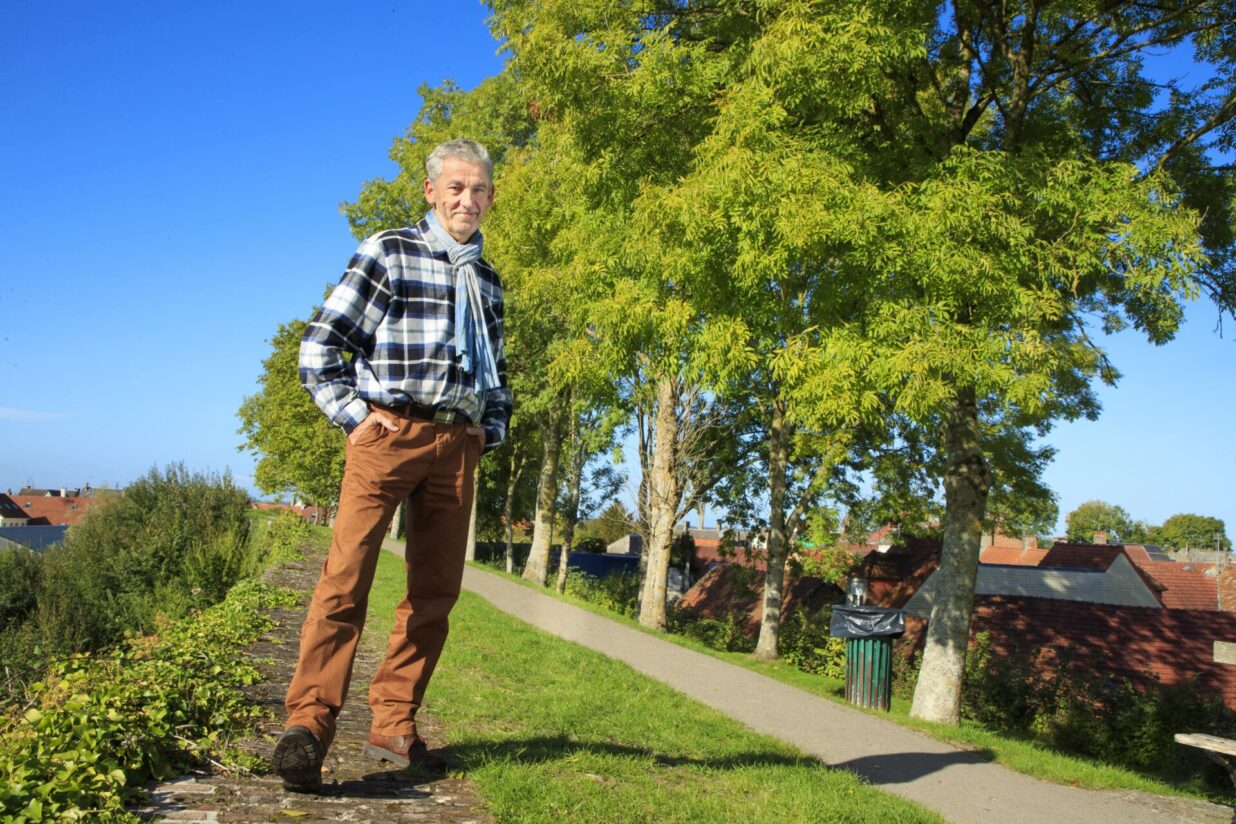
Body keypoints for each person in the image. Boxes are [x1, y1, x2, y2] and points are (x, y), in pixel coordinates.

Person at [271, 138, 511, 792]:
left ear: (491, 197)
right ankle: (308, 728)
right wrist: (353, 415)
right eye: (456, 188)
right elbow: (321, 348)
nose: (468, 199)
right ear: (431, 192)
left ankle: (391, 734)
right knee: (345, 578)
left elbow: (498, 374)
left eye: (479, 189)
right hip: (388, 432)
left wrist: (489, 430)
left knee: (434, 594)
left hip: (455, 445)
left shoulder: (487, 279)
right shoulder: (390, 251)